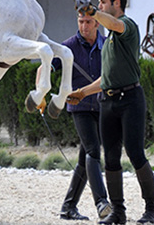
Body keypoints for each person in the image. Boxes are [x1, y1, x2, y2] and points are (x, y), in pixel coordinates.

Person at [67, 0, 154, 225]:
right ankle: (118, 212)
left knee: (136, 154)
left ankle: (151, 211)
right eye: (98, 2)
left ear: (116, 3)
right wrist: (82, 92)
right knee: (111, 159)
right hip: (107, 101)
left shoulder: (127, 26)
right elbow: (106, 78)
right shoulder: (108, 41)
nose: (100, 4)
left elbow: (113, 24)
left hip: (130, 100)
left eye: (102, 1)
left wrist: (93, 12)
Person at [38, 12, 111, 221]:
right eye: (80, 22)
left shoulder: (107, 45)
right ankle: (102, 203)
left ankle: (68, 207)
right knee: (93, 151)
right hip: (80, 109)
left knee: (84, 159)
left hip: (102, 106)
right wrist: (39, 91)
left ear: (97, 23)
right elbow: (46, 67)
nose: (84, 26)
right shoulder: (68, 46)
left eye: (88, 22)